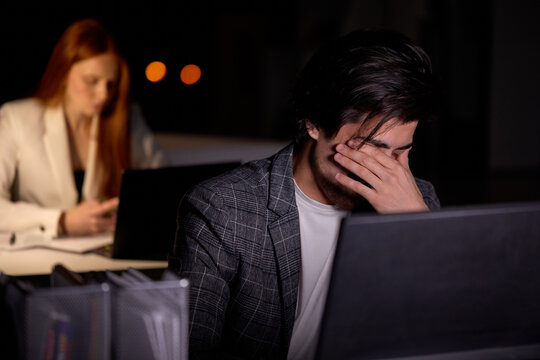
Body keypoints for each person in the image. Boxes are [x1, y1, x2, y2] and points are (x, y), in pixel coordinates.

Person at [169, 29, 440, 359]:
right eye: (372, 150)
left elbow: (448, 333)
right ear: (314, 124)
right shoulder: (224, 209)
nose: (389, 172)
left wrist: (420, 231)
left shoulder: (416, 200)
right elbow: (189, 348)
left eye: (401, 153)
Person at [0, 19, 165, 238]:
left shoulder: (126, 119)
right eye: (91, 80)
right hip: (38, 258)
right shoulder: (17, 118)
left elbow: (163, 188)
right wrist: (61, 221)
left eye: (111, 84)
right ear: (63, 73)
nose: (104, 95)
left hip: (106, 256)